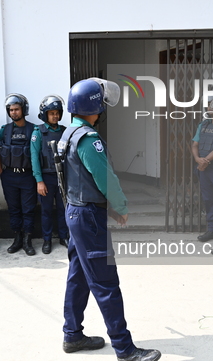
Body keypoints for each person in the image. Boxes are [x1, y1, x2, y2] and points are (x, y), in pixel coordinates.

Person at [59, 78, 161, 361]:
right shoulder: (89, 139)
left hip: (76, 211)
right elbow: (106, 179)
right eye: (101, 104)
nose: (103, 109)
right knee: (106, 284)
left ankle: (72, 335)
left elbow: (77, 178)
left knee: (78, 277)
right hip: (89, 216)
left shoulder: (69, 134)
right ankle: (125, 349)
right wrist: (120, 205)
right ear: (94, 106)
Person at [0, 94, 37, 256]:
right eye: (11, 110)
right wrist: (1, 171)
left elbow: (37, 154)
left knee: (28, 209)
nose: (13, 113)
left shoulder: (33, 129)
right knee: (14, 209)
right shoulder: (5, 130)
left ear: (23, 110)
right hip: (9, 176)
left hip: (27, 176)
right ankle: (17, 238)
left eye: (16, 109)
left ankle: (27, 240)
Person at [30, 95, 69, 254]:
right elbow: (34, 157)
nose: (55, 116)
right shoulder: (38, 132)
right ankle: (47, 239)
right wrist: (39, 181)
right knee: (46, 211)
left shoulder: (65, 131)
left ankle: (63, 236)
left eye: (57, 113)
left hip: (62, 178)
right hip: (46, 178)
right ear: (45, 114)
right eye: (52, 113)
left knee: (63, 209)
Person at [191, 98, 213, 242]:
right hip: (203, 168)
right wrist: (198, 159)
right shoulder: (203, 124)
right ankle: (212, 230)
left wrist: (206, 161)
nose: (210, 107)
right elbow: (195, 144)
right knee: (208, 200)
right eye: (209, 105)